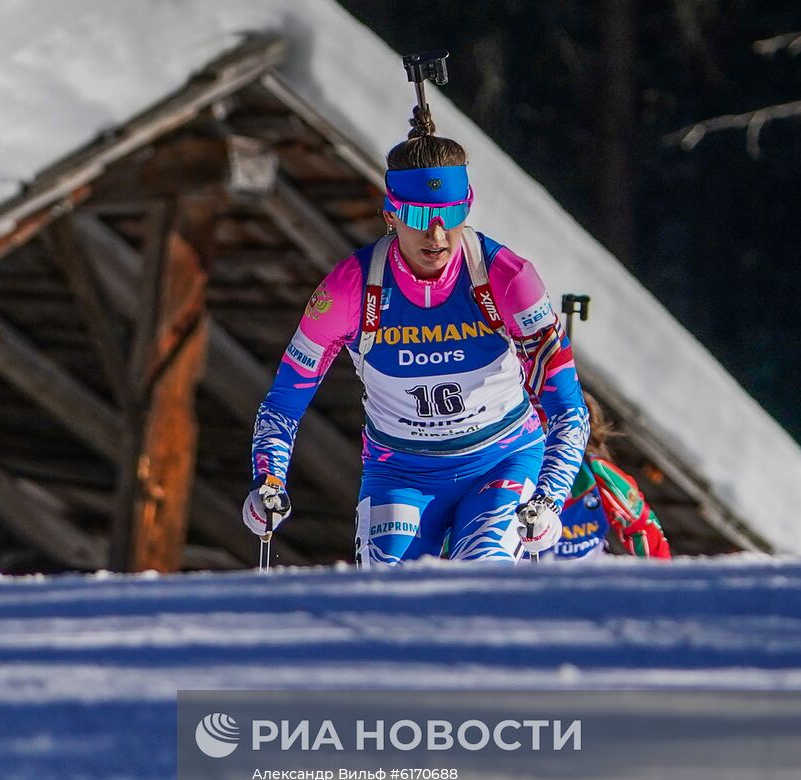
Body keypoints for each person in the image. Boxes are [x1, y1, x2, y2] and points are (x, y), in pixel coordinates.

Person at [242, 107, 589, 564]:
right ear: (391, 213)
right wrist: (269, 480)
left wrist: (548, 499)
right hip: (401, 473)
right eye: (419, 215)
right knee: (389, 593)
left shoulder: (507, 278)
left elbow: (569, 408)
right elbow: (285, 402)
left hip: (502, 461)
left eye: (450, 213)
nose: (437, 235)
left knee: (483, 575)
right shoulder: (350, 289)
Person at [548, 392, 671, 560]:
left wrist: (661, 573)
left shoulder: (597, 472)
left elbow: (643, 526)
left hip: (584, 570)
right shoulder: (518, 466)